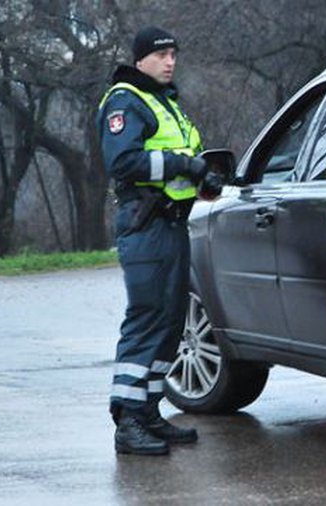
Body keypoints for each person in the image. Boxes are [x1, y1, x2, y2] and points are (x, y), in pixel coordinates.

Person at [96, 26, 222, 456]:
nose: (170, 61)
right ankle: (127, 422)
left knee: (171, 321)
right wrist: (183, 164)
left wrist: (203, 175)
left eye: (173, 53)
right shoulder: (125, 101)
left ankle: (148, 410)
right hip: (145, 225)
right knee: (148, 317)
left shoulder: (166, 103)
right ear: (140, 60)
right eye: (161, 54)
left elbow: (185, 159)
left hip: (172, 224)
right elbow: (124, 161)